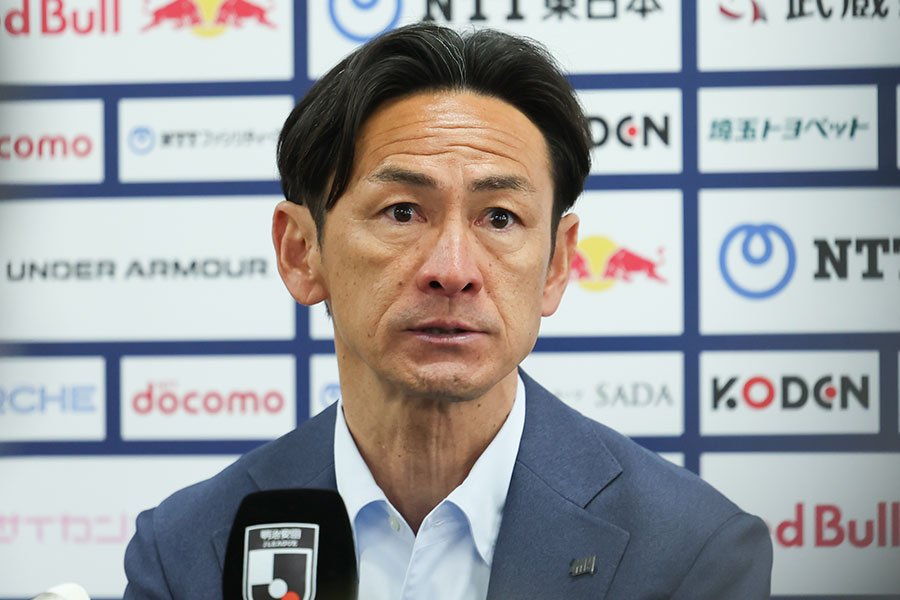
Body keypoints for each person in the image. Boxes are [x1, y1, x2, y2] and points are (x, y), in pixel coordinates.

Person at [124, 23, 772, 599]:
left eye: (500, 218)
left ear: (556, 264)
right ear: (301, 252)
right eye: (403, 212)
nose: (453, 270)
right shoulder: (186, 551)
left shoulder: (691, 551)